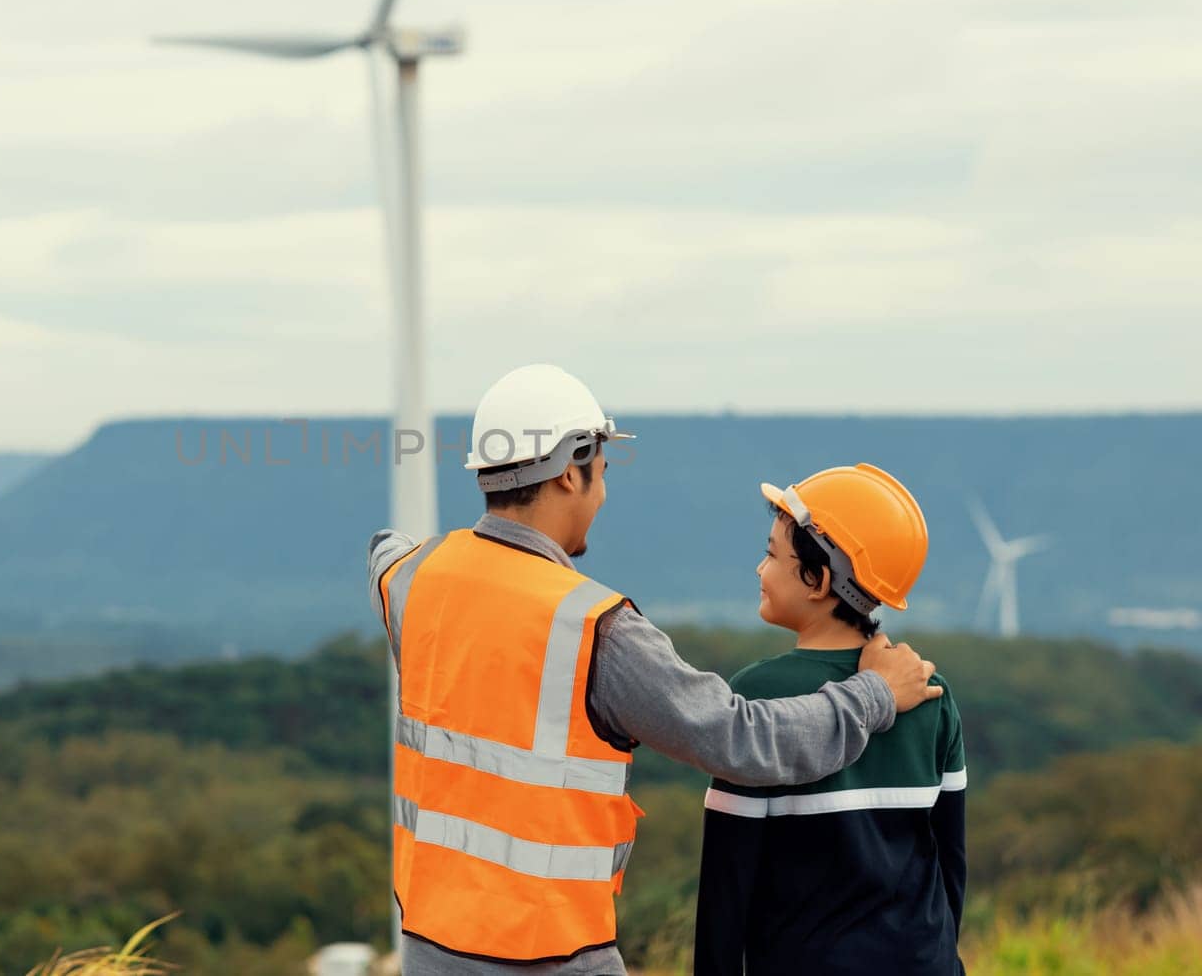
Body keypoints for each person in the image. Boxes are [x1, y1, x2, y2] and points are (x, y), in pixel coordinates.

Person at [367, 365, 943, 975]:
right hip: (549, 953)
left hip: (428, 946)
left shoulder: (410, 578)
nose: (603, 493)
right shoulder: (596, 630)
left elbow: (382, 548)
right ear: (570, 471)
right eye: (602, 473)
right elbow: (741, 740)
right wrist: (874, 694)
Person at [694, 465, 966, 976]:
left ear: (817, 580)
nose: (760, 569)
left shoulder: (758, 695)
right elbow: (950, 861)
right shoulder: (932, 691)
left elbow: (728, 884)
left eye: (772, 555)